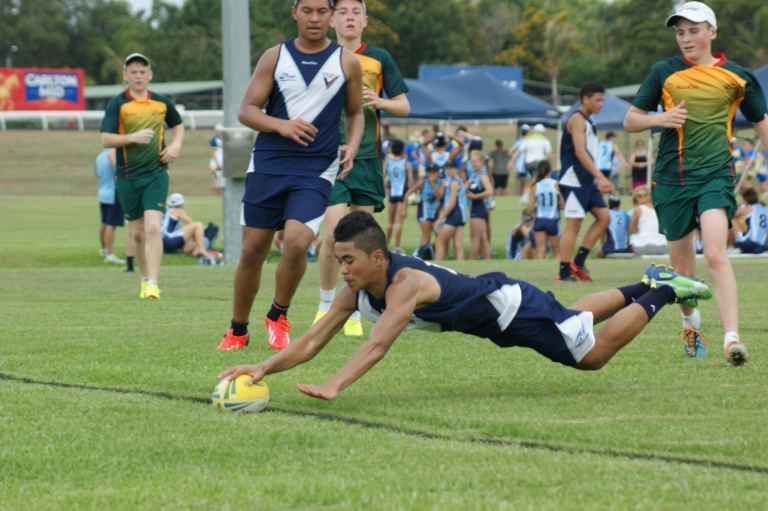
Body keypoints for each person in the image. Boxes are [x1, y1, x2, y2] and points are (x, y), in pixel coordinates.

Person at [217, 211, 713, 401]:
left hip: (513, 309)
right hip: (503, 314)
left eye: (348, 260)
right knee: (575, 318)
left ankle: (664, 292)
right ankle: (647, 282)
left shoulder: (405, 283)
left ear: (376, 257)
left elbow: (377, 344)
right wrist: (263, 366)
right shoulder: (358, 288)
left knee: (592, 355)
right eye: (337, 260)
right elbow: (311, 339)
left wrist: (334, 384)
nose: (341, 270)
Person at [623, 1, 768, 365]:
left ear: (712, 32)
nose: (686, 39)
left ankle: (732, 339)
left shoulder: (738, 77)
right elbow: (630, 120)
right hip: (671, 182)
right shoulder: (664, 72)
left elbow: (762, 123)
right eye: (680, 32)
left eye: (693, 30)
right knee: (683, 275)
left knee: (716, 253)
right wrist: (661, 118)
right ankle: (691, 325)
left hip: (716, 177)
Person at [216, 0, 364, 352]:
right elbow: (247, 110)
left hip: (316, 168)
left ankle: (278, 315)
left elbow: (355, 112)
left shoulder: (347, 61)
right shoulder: (274, 56)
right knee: (253, 249)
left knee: (298, 241)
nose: (315, 18)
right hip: (268, 163)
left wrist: (353, 145)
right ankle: (238, 329)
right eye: (307, 10)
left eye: (322, 11)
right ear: (294, 12)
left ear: (331, 15)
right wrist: (281, 125)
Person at [314, 0, 410, 338]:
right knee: (333, 233)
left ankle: (354, 307)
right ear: (331, 19)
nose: (350, 17)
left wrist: (382, 102)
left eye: (356, 12)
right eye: (343, 12)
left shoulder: (379, 59)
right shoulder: (320, 57)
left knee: (362, 240)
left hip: (368, 158)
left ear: (365, 21)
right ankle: (326, 305)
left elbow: (404, 106)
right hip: (329, 157)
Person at [101, 53, 185, 300]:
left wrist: (176, 145)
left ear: (150, 74)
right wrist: (132, 138)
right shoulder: (118, 104)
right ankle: (144, 278)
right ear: (125, 75)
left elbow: (177, 124)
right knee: (136, 232)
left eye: (142, 71)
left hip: (156, 174)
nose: (138, 76)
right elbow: (106, 139)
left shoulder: (161, 103)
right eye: (133, 72)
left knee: (152, 227)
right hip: (127, 176)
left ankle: (153, 283)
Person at [557, 82, 613, 283]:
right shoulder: (577, 119)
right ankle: (563, 274)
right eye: (598, 100)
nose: (601, 104)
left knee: (604, 217)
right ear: (585, 99)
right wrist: (600, 176)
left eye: (602, 100)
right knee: (573, 225)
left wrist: (596, 177)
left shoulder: (590, 121)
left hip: (587, 180)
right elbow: (580, 151)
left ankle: (578, 262)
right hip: (573, 179)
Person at [161, 193, 219, 263]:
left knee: (199, 242)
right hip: (170, 239)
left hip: (163, 245)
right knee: (198, 225)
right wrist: (195, 237)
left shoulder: (165, 210)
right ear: (180, 204)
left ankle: (195, 253)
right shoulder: (178, 210)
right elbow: (191, 224)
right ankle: (202, 251)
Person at [94, 147, 127, 266]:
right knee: (111, 225)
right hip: (114, 192)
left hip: (103, 192)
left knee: (104, 221)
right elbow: (120, 173)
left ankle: (103, 249)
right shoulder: (114, 154)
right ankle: (110, 254)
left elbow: (97, 174)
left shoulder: (99, 156)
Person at [525, 160, 563, 259]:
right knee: (557, 251)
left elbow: (530, 208)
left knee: (540, 251)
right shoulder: (556, 184)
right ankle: (558, 273)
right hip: (553, 220)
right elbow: (563, 205)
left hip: (540, 220)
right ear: (550, 170)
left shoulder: (535, 186)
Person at [383, 139, 413, 254]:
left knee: (390, 222)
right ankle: (396, 247)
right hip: (402, 194)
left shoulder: (388, 162)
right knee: (399, 222)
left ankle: (386, 245)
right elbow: (410, 182)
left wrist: (386, 185)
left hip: (392, 194)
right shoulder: (406, 164)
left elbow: (384, 177)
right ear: (402, 150)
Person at [406, 164, 445, 249]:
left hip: (435, 213)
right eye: (429, 172)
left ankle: (432, 250)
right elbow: (408, 193)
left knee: (440, 236)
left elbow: (439, 196)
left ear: (438, 173)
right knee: (426, 235)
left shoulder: (441, 183)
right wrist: (405, 208)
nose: (431, 174)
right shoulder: (423, 182)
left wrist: (433, 185)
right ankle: (422, 255)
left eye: (434, 172)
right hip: (424, 212)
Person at [434, 162, 466, 261]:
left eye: (450, 168)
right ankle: (462, 269)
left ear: (456, 169)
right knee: (457, 244)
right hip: (460, 215)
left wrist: (440, 218)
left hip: (454, 214)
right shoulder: (458, 181)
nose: (448, 171)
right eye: (446, 169)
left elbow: (451, 203)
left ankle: (437, 266)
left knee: (439, 241)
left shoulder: (454, 182)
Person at [465, 150, 494, 260]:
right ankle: (488, 259)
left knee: (475, 238)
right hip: (477, 209)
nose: (473, 164)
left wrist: (475, 197)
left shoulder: (483, 176)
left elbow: (490, 191)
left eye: (475, 161)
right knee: (483, 237)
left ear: (482, 162)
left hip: (478, 208)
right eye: (472, 161)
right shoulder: (474, 175)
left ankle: (471, 260)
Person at [628, 186, 668, 255]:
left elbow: (632, 230)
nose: (637, 198)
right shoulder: (662, 209)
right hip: (662, 246)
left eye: (640, 196)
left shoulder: (638, 209)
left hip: (641, 247)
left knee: (633, 236)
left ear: (649, 196)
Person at [732, 187, 768, 254]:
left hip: (748, 243)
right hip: (762, 246)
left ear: (745, 199)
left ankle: (730, 246)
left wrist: (738, 204)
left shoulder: (748, 209)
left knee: (732, 220)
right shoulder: (766, 209)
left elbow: (730, 215)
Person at [508, 124, 531, 199]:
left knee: (522, 183)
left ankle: (521, 196)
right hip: (526, 165)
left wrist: (514, 160)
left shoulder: (518, 142)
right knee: (527, 182)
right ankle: (524, 197)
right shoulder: (528, 141)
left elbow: (510, 152)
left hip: (519, 166)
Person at [209, 123, 224, 196]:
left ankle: (219, 196)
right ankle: (214, 196)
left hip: (221, 163)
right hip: (216, 164)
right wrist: (218, 163)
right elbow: (212, 153)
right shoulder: (214, 140)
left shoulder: (222, 139)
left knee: (220, 181)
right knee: (216, 180)